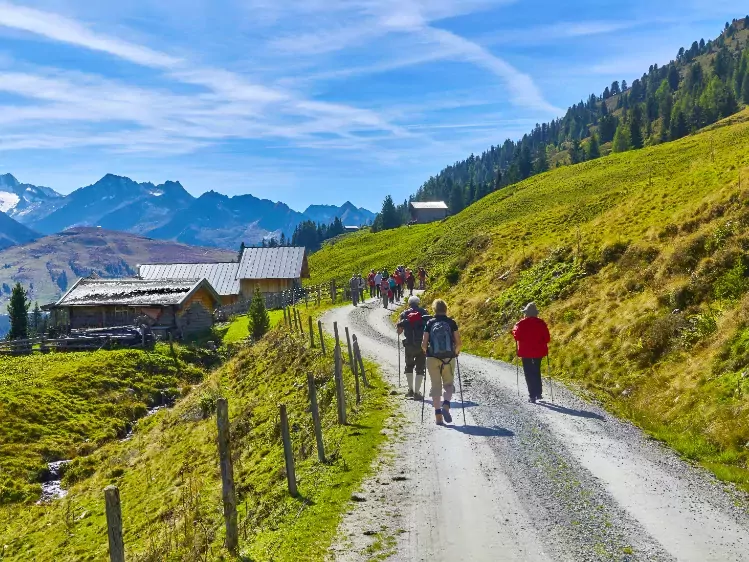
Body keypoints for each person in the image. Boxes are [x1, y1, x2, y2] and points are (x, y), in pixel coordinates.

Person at [422, 299, 461, 425]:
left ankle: (438, 416)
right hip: (449, 358)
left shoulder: (429, 322)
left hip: (432, 358)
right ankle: (446, 406)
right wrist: (456, 352)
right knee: (448, 385)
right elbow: (459, 343)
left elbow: (423, 344)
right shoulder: (451, 323)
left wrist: (426, 351)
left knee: (435, 386)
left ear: (434, 309)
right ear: (446, 309)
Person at [512, 302, 550, 403]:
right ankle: (538, 393)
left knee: (528, 373)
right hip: (538, 351)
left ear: (526, 313)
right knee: (536, 370)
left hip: (525, 352)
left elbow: (517, 336)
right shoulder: (541, 323)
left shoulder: (521, 324)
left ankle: (532, 395)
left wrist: (514, 330)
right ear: (536, 313)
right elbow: (547, 338)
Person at [397, 296, 430, 399]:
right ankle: (417, 392)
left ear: (409, 303)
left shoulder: (404, 314)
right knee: (420, 368)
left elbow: (399, 331)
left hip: (409, 344)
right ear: (418, 303)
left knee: (409, 366)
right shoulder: (424, 312)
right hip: (421, 345)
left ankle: (410, 390)